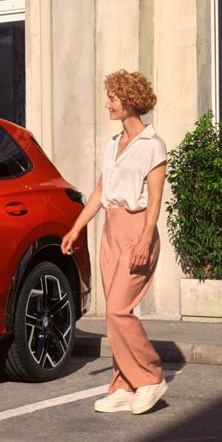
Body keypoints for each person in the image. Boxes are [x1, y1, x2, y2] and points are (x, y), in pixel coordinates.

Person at [61, 71, 168, 415]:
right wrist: (76, 228)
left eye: (113, 98)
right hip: (111, 231)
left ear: (130, 101)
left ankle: (150, 376)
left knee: (121, 309)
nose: (107, 104)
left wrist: (145, 238)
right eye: (108, 97)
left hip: (138, 230)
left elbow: (154, 200)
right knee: (113, 313)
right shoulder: (112, 144)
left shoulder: (152, 145)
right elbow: (99, 192)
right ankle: (123, 385)